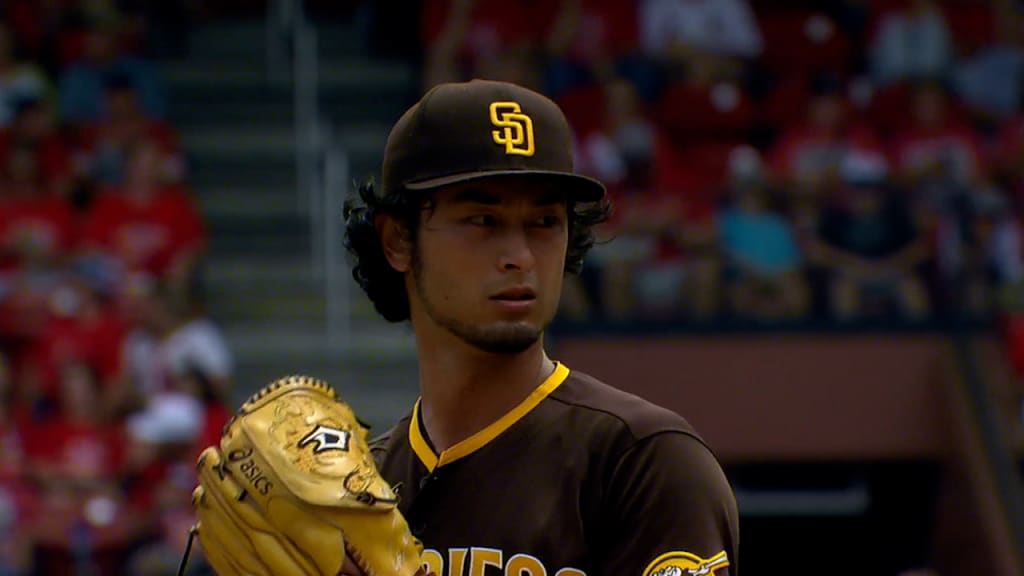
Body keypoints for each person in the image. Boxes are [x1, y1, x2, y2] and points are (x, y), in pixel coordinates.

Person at [338, 79, 739, 575]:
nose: (521, 256)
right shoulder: (361, 491)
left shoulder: (643, 461)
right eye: (483, 219)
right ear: (398, 240)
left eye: (545, 222)